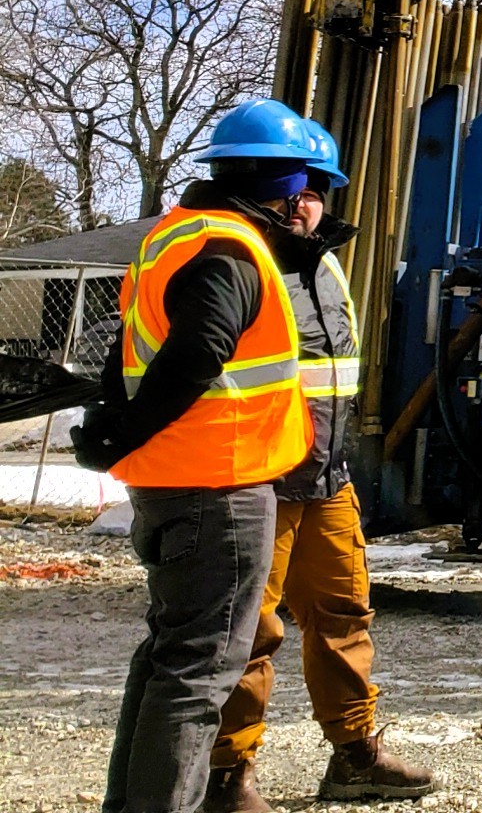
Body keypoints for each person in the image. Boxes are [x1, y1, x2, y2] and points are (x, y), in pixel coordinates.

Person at [69, 100, 319, 813]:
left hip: (174, 479)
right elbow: (198, 352)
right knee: (197, 672)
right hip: (219, 486)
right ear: (288, 189)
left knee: (169, 659)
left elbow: (135, 348)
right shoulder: (231, 251)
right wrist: (124, 429)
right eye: (308, 192)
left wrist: (117, 427)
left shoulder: (175, 236)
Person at [205, 120, 438, 811]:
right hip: (258, 478)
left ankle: (355, 755)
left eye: (315, 190)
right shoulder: (238, 262)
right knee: (249, 630)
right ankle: (228, 773)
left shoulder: (326, 264)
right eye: (292, 189)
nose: (303, 202)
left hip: (324, 477)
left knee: (344, 613)